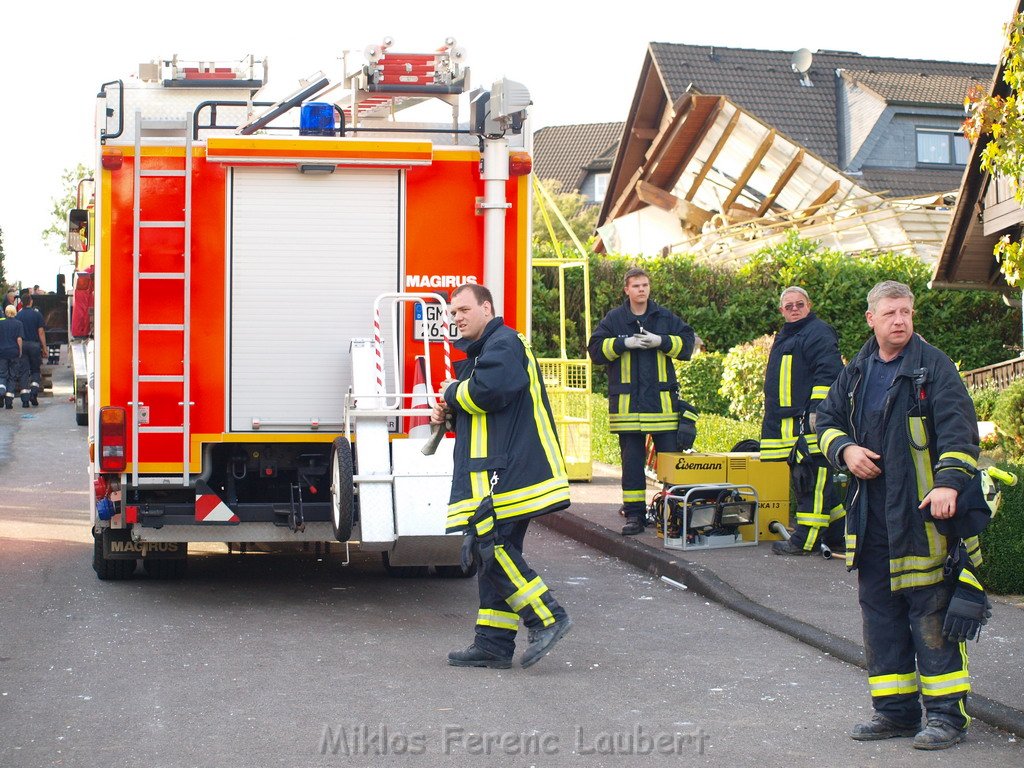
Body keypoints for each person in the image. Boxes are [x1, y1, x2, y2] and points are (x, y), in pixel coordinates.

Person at [816, 280, 982, 750]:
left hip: (922, 521)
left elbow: (960, 433)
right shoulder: (858, 371)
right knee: (882, 620)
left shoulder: (934, 368)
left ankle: (948, 718)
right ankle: (894, 713)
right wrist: (845, 450)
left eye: (906, 312)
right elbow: (824, 421)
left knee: (933, 620)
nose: (900, 321)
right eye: (890, 313)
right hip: (871, 521)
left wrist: (949, 482)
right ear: (871, 318)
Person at [433, 283, 572, 669]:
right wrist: (453, 409)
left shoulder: (505, 342)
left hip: (511, 472)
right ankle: (493, 645)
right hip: (502, 471)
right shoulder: (488, 350)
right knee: (490, 551)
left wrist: (450, 394)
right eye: (453, 312)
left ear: (487, 308)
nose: (456, 317)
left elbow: (489, 391)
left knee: (491, 549)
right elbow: (485, 407)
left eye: (463, 309)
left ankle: (548, 617)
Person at [587, 267, 695, 535]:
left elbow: (687, 344)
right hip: (628, 410)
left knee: (670, 465)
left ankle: (673, 516)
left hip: (661, 409)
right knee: (632, 465)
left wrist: (662, 341)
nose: (641, 290)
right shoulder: (615, 319)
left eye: (645, 285)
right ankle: (635, 516)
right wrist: (624, 344)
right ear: (626, 289)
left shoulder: (663, 317)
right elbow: (595, 351)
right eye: (636, 286)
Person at [761, 286, 845, 555]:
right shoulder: (787, 334)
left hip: (806, 424)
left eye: (800, 304)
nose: (794, 309)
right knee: (812, 481)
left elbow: (829, 372)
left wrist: (817, 410)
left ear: (809, 305)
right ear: (781, 311)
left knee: (809, 479)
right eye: (789, 306)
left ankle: (804, 541)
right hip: (787, 424)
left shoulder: (818, 331)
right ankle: (838, 533)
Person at [16, 292, 46, 407]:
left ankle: (24, 400)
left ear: (22, 303)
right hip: (34, 345)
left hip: (22, 345)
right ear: (31, 301)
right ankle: (33, 393)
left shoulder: (18, 315)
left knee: (24, 371)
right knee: (35, 371)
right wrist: (44, 348)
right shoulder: (37, 314)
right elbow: (41, 332)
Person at [0, 305, 24, 410]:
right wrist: (20, 351)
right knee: (12, 376)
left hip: (2, 352)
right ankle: (9, 402)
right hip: (14, 352)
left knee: (2, 374)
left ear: (5, 312)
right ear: (15, 312)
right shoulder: (18, 324)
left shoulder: (1, 323)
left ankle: (1, 392)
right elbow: (19, 339)